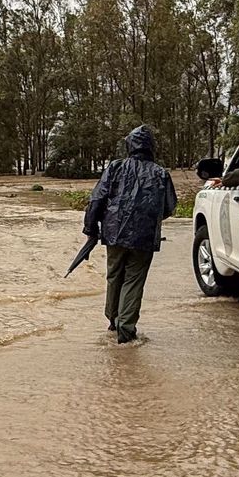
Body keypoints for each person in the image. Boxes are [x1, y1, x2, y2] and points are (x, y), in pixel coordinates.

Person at [83, 125, 178, 343]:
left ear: (129, 146)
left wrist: (91, 229)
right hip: (144, 237)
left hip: (114, 233)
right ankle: (125, 329)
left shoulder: (115, 167)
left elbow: (96, 199)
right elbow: (169, 207)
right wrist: (149, 219)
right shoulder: (160, 173)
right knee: (134, 280)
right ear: (151, 147)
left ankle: (113, 320)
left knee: (114, 276)